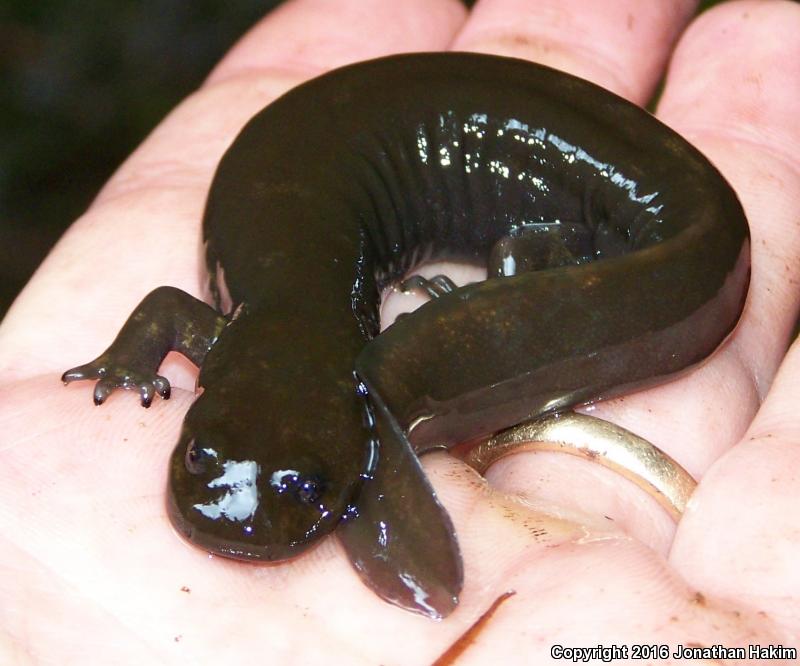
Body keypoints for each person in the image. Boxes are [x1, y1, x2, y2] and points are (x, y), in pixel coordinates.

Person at [1, 0, 799, 662]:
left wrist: (135, 360)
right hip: (376, 132)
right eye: (202, 456)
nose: (230, 501)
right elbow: (168, 312)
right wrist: (127, 360)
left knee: (583, 252)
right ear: (207, 388)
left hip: (579, 174)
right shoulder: (228, 338)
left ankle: (544, 256)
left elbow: (167, 309)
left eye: (305, 487)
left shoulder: (231, 337)